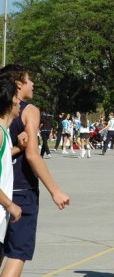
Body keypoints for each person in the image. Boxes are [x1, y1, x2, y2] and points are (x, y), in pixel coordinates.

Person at [0, 64, 70, 276]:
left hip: (6, 190)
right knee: (18, 251)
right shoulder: (29, 110)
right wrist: (55, 190)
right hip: (21, 189)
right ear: (18, 84)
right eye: (29, 80)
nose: (33, 84)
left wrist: (16, 147)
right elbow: (32, 155)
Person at [0, 79, 23, 262]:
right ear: (10, 101)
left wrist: (19, 148)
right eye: (17, 96)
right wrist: (9, 204)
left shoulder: (5, 133)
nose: (20, 101)